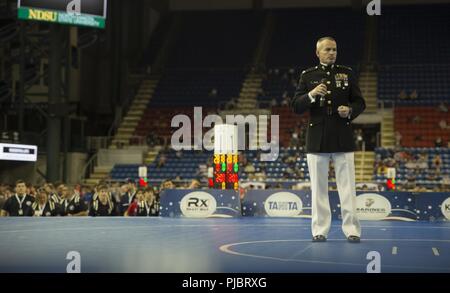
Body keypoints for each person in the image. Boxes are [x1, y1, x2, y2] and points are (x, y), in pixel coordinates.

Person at [290, 37, 365, 243]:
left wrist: (350, 111)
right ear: (318, 53)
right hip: (317, 138)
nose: (332, 53)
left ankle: (352, 230)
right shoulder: (308, 75)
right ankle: (320, 230)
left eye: (334, 49)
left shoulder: (347, 73)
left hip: (342, 136)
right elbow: (296, 106)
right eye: (327, 50)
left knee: (348, 187)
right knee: (318, 188)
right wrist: (312, 94)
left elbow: (360, 102)